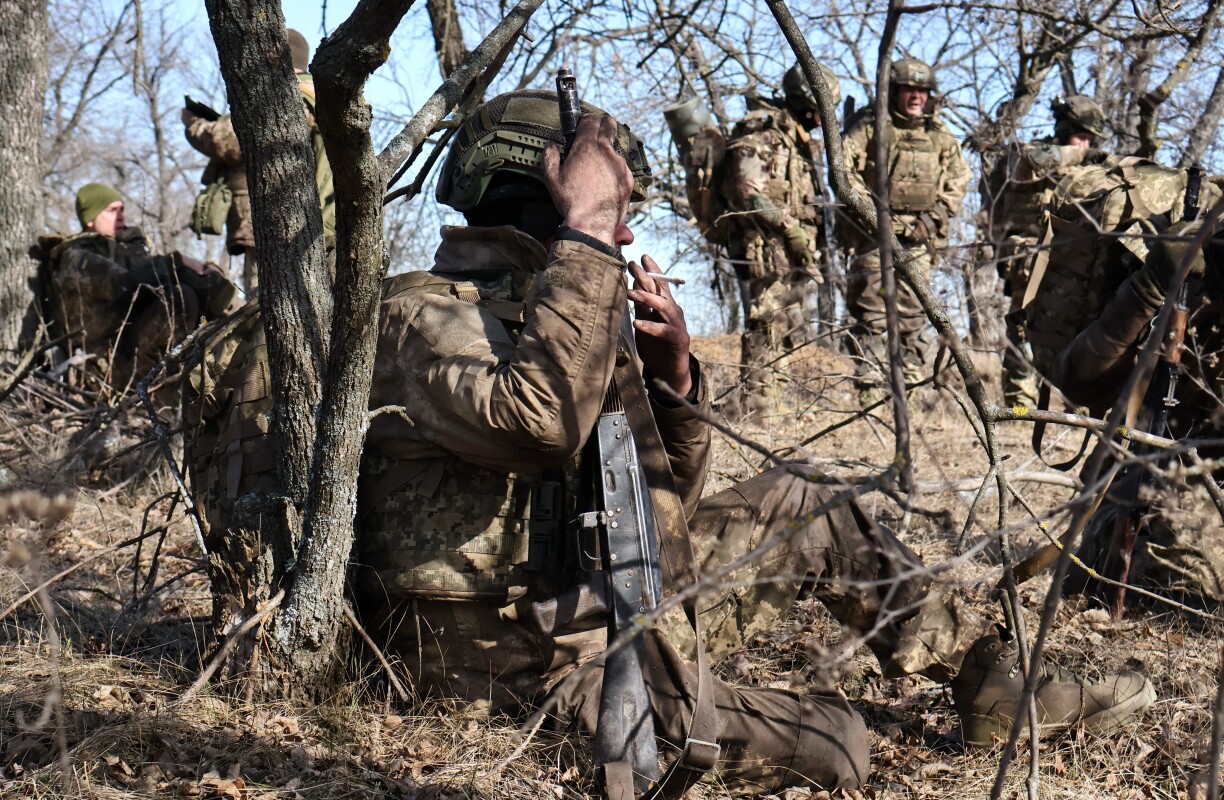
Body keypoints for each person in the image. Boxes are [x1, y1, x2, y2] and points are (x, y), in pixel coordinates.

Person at [338, 88, 1153, 793]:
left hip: (614, 602)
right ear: (546, 197)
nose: (623, 235)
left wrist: (674, 383)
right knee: (844, 744)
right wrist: (583, 236)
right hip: (517, 670)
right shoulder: (423, 315)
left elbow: (668, 509)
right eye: (610, 207)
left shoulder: (566, 308)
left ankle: (992, 687)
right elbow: (538, 421)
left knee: (810, 499)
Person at [1056, 220, 1224, 606]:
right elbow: (1077, 379)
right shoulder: (1194, 264)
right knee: (1180, 569)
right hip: (1149, 492)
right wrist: (1148, 288)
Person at [842, 57, 970, 405]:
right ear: (896, 92)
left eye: (922, 91)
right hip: (873, 238)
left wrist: (931, 221)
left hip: (919, 240)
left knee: (913, 315)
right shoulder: (870, 127)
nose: (916, 97)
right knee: (871, 313)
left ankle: (910, 390)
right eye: (909, 90)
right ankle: (869, 391)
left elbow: (959, 180)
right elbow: (843, 171)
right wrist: (873, 216)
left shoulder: (940, 135)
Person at [712, 62, 837, 405]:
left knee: (789, 326)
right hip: (766, 245)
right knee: (767, 324)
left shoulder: (797, 140)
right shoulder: (762, 131)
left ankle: (777, 402)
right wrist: (791, 228)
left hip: (791, 247)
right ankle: (759, 406)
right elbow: (746, 189)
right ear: (807, 101)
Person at [181, 28, 335, 290]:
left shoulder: (285, 98)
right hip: (327, 226)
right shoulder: (325, 97)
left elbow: (227, 140)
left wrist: (193, 124)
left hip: (286, 232)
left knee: (263, 317)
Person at [982, 95, 1111, 409]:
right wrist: (1082, 155)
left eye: (1091, 139)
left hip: (1075, 263)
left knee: (1078, 331)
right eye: (1082, 136)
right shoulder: (1033, 153)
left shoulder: (1093, 169)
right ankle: (1019, 401)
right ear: (1066, 130)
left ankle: (1075, 401)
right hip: (1030, 261)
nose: (1086, 144)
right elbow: (1032, 162)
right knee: (1025, 327)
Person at [46, 182, 234, 389]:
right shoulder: (76, 257)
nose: (121, 216)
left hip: (131, 350)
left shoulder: (129, 249)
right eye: (111, 210)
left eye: (122, 209)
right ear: (90, 218)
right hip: (105, 366)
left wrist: (203, 271)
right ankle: (163, 386)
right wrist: (177, 262)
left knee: (198, 294)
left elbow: (149, 277)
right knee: (179, 298)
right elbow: (121, 285)